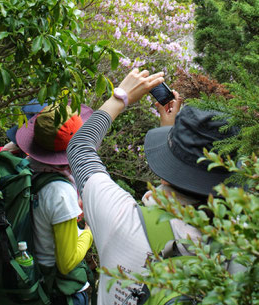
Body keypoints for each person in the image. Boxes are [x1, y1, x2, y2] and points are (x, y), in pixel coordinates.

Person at [66, 68, 240, 305]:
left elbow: (80, 147)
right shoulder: (240, 242)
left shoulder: (119, 217)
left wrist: (120, 97)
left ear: (168, 163)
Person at [15, 103, 95, 305]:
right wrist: (90, 229)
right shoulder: (60, 193)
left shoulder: (29, 170)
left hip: (36, 279)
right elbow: (67, 262)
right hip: (60, 291)